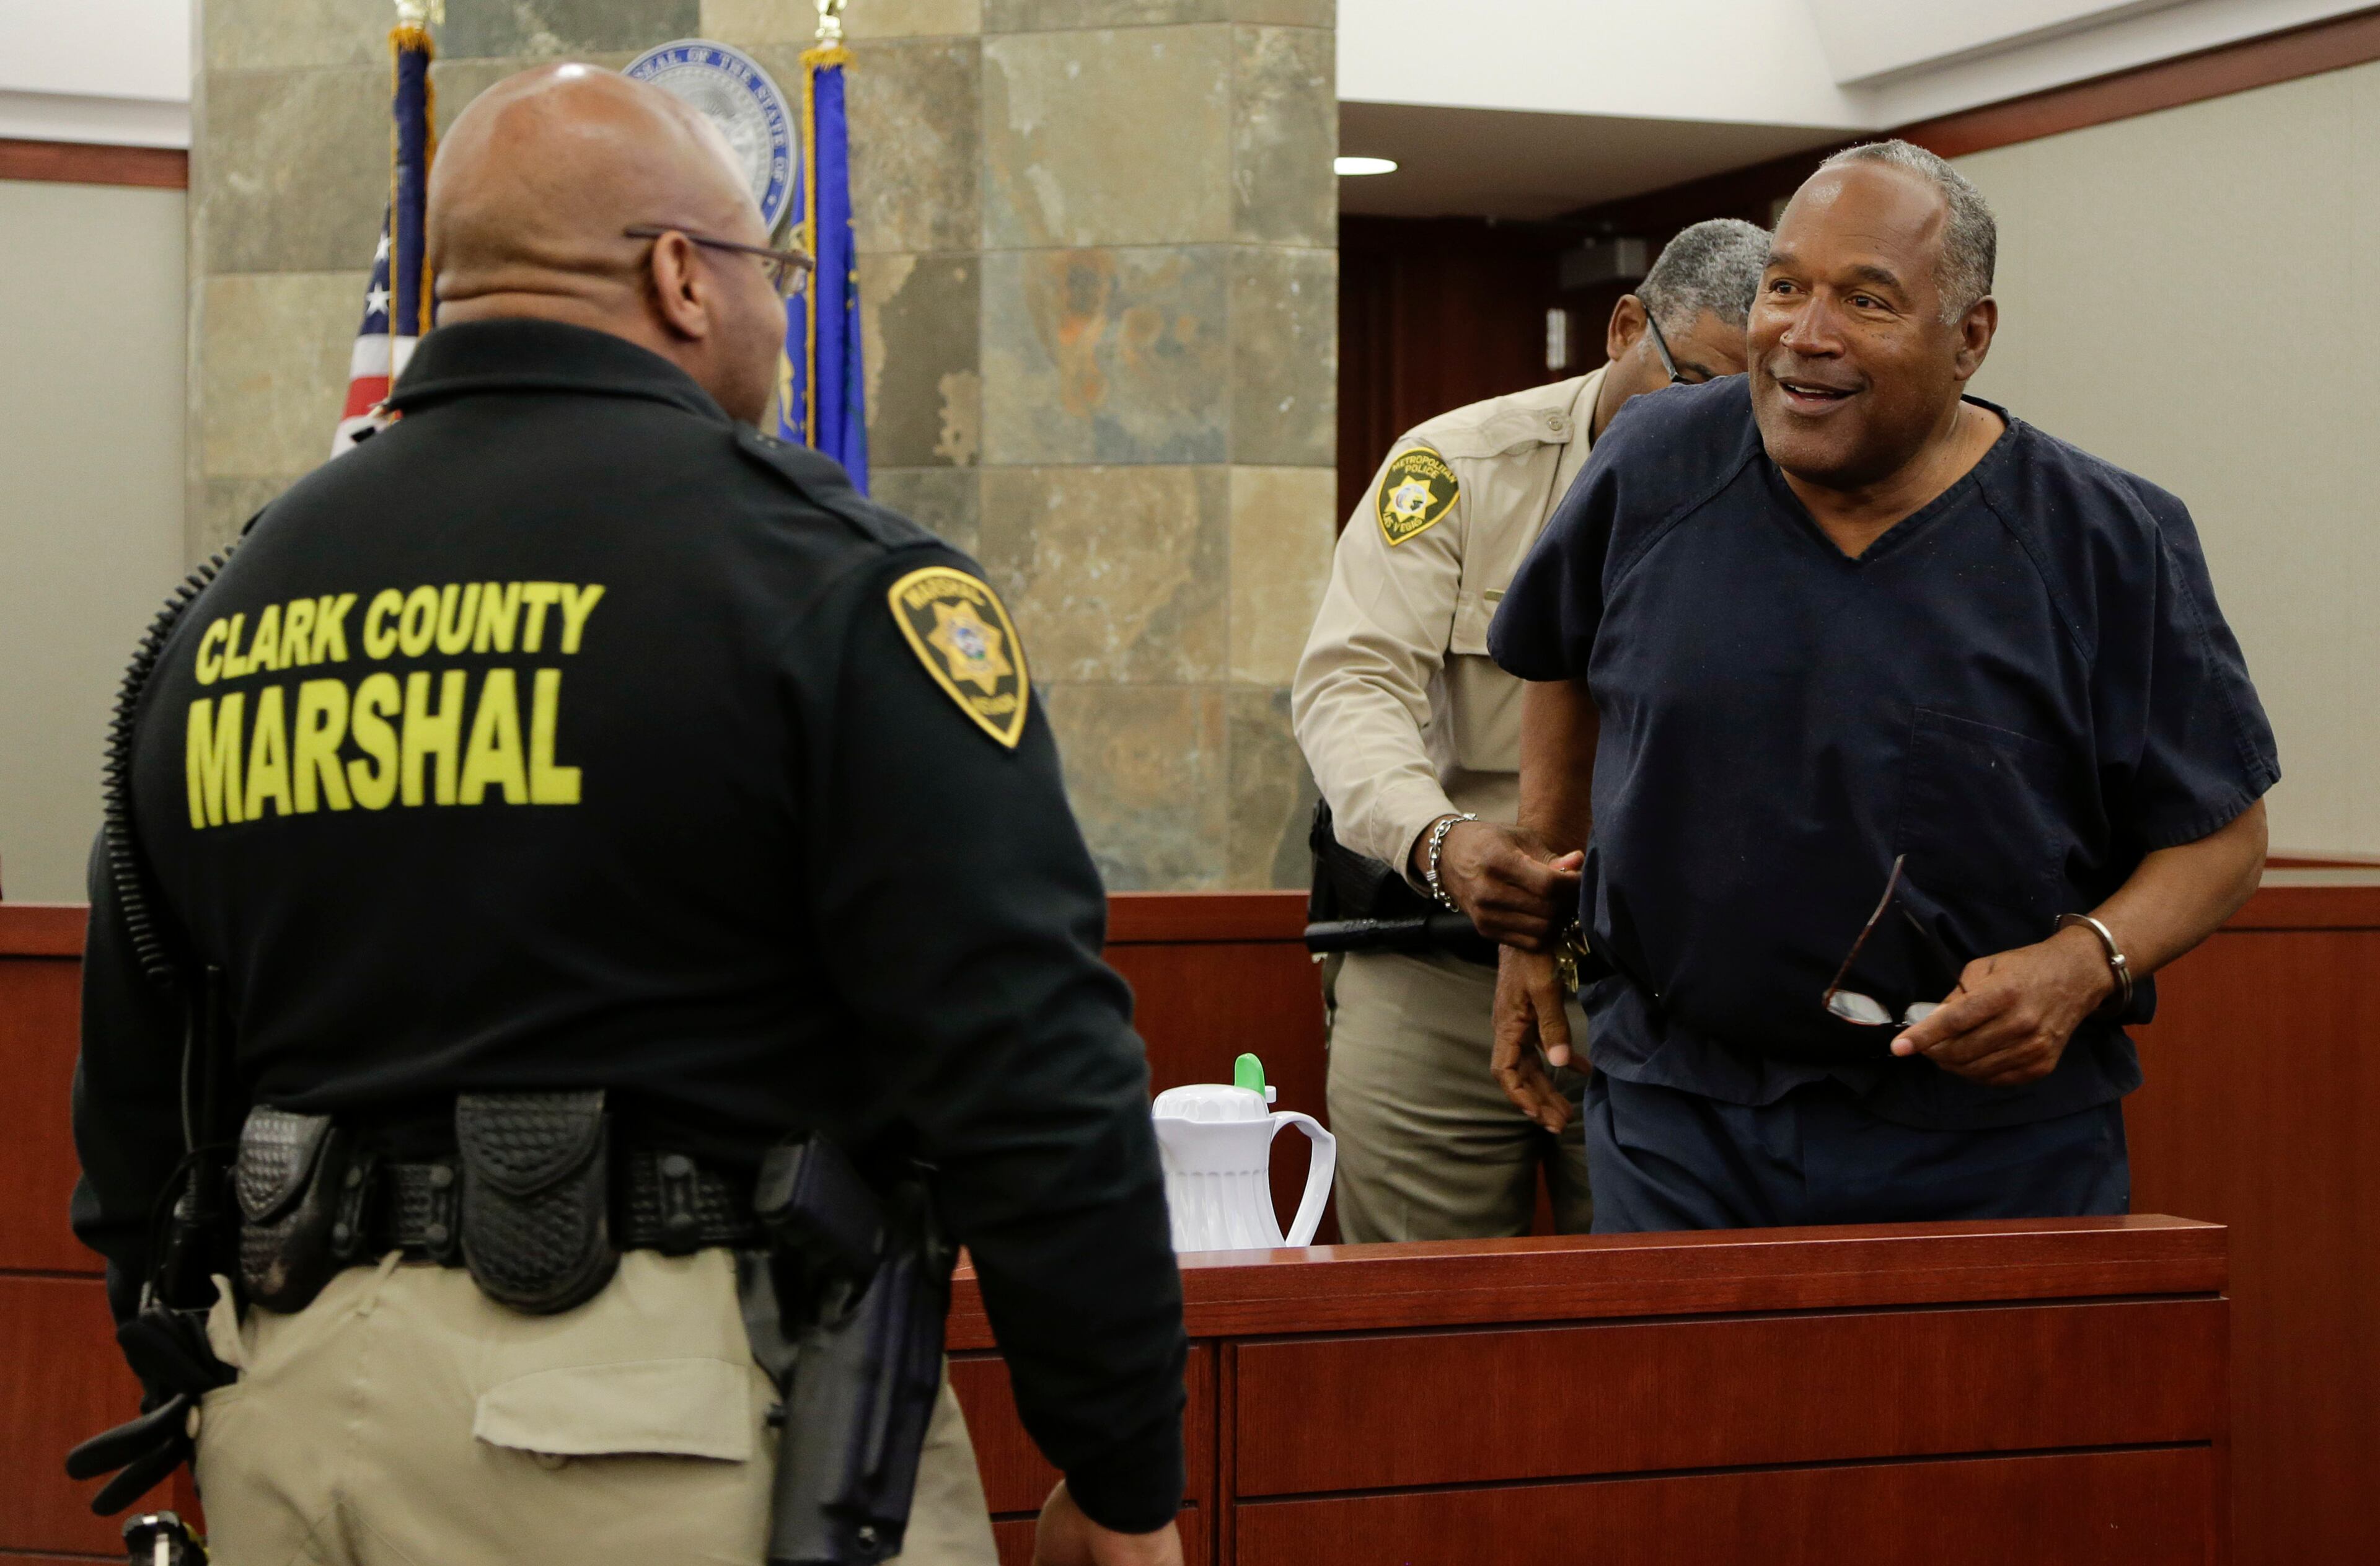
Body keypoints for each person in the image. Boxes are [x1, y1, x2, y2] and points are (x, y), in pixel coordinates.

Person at [69, 65, 1185, 1566]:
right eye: (773, 270)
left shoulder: (223, 615)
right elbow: (1031, 1066)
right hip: (653, 1435)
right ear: (681, 276)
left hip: (287, 1414)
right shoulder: (825, 585)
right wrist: (1120, 1475)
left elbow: (135, 1106)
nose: (779, 308)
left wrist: (218, 1379)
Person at [1486, 141, 2275, 1232]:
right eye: (1785, 288)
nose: (1806, 335)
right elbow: (1562, 660)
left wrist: (2084, 964)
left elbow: (2224, 836)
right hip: (1680, 1114)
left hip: (1993, 1139)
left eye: (1867, 301)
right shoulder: (1656, 462)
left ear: (1971, 338)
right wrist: (1536, 922)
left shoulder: (2107, 537)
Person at [1290, 221, 1769, 1241]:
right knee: (1427, 1311)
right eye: (1695, 383)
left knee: (1660, 1307)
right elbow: (1353, 684)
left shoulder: (1792, 487)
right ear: (1625, 327)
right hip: (1437, 961)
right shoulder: (1459, 468)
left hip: (1667, 986)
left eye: (1753, 398)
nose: (1720, 423)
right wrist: (1439, 840)